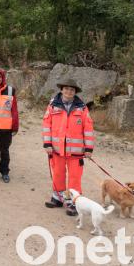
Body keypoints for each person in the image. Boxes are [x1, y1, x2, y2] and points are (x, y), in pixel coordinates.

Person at [43, 79, 95, 216]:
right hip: (56, 149)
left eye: (72, 90)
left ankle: (73, 203)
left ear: (75, 92)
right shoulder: (52, 106)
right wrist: (47, 144)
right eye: (66, 89)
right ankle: (57, 198)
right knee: (58, 173)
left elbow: (88, 128)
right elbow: (46, 125)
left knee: (74, 177)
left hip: (76, 152)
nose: (69, 91)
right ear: (61, 90)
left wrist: (89, 148)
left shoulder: (82, 108)